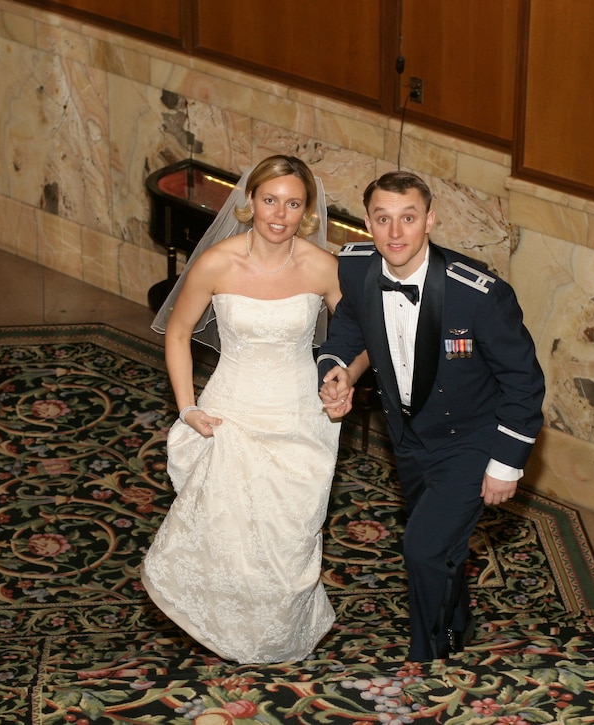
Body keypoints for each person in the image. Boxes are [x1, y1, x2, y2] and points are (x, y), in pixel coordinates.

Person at [317, 170, 545, 662]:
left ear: (429, 221)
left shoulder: (478, 294)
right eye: (383, 219)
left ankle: (429, 659)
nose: (395, 232)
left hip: (472, 440)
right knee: (443, 549)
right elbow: (350, 327)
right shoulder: (354, 270)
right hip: (407, 437)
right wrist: (336, 368)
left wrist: (506, 463)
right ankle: (457, 625)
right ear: (369, 226)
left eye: (408, 218)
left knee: (422, 548)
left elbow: (524, 381)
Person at [141, 155, 354, 664]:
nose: (279, 214)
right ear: (250, 201)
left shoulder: (324, 267)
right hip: (230, 414)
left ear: (306, 212)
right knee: (229, 536)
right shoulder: (217, 262)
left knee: (288, 539)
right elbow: (176, 332)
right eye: (269, 200)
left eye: (293, 203)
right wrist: (187, 407)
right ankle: (231, 633)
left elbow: (354, 337)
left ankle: (276, 638)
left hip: (301, 419)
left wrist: (345, 373)